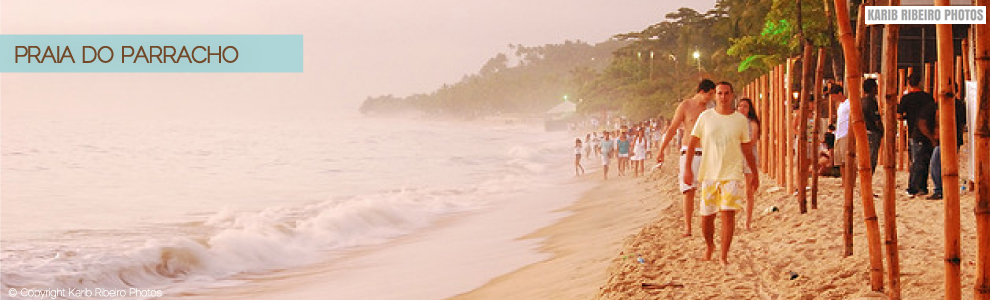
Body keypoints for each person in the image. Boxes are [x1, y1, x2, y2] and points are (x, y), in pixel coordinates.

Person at [683, 82, 758, 264]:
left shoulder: (740, 120)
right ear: (715, 96)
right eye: (719, 94)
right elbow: (692, 143)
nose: (723, 97)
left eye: (726, 93)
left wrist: (754, 172)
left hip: (731, 173)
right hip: (709, 173)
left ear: (732, 95)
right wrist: (687, 168)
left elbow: (746, 147)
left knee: (728, 214)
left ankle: (724, 256)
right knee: (706, 218)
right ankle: (710, 245)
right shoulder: (705, 117)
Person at [657, 79, 717, 237]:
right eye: (710, 94)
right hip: (688, 152)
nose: (712, 98)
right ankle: (688, 227)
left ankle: (707, 223)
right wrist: (661, 150)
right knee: (688, 190)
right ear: (702, 92)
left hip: (707, 152)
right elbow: (672, 129)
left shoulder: (711, 109)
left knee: (709, 190)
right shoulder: (685, 106)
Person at [897, 73, 936, 197]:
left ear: (908, 84)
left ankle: (913, 187)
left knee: (916, 161)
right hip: (929, 132)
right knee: (925, 160)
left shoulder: (906, 98)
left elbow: (898, 115)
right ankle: (923, 187)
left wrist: (906, 117)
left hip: (914, 132)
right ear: (920, 82)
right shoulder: (928, 97)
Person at [925, 89, 967, 200]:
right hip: (954, 139)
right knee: (945, 165)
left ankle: (939, 190)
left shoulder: (944, 104)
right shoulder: (960, 105)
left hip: (945, 139)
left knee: (936, 164)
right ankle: (944, 189)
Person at [736, 98, 760, 230]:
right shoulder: (734, 122)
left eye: (745, 106)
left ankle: (747, 222)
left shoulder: (752, 123)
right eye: (740, 106)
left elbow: (753, 141)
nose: (742, 109)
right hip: (736, 156)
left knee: (749, 191)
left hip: (749, 157)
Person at [862, 78, 884, 173]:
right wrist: (882, 130)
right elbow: (876, 119)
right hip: (872, 132)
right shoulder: (871, 102)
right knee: (872, 157)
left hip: (864, 131)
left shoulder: (861, 101)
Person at [831, 85, 851, 175]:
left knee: (846, 160)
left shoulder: (848, 103)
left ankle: (849, 180)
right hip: (839, 134)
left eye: (834, 96)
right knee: (840, 162)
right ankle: (844, 181)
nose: (833, 98)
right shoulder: (840, 105)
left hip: (845, 133)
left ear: (840, 93)